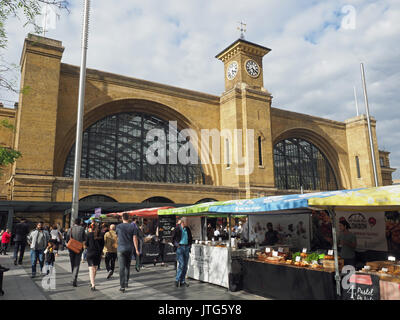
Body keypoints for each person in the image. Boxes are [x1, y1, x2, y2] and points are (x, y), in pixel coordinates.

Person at [116, 212, 140, 292]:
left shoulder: (118, 226)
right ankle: (126, 282)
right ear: (129, 218)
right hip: (129, 248)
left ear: (122, 218)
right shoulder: (133, 227)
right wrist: (136, 249)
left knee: (121, 267)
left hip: (120, 248)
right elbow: (135, 238)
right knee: (127, 266)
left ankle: (122, 286)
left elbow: (117, 237)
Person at [172, 217, 192, 288]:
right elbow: (173, 239)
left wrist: (189, 246)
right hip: (180, 247)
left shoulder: (188, 229)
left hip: (186, 247)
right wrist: (177, 245)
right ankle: (177, 280)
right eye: (187, 221)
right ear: (183, 222)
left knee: (185, 265)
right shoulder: (177, 229)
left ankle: (182, 281)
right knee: (181, 264)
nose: (188, 223)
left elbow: (190, 238)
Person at [66, 218, 87, 287]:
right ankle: (74, 278)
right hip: (79, 248)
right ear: (80, 222)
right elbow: (84, 239)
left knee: (72, 263)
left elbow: (67, 239)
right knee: (77, 264)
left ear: (74, 222)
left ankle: (73, 277)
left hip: (71, 248)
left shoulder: (70, 229)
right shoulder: (82, 229)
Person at [86, 223, 104, 291]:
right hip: (97, 254)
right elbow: (102, 245)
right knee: (95, 268)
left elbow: (86, 244)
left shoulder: (88, 235)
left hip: (90, 253)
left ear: (91, 228)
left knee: (91, 269)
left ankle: (93, 284)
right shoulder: (101, 236)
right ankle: (92, 281)